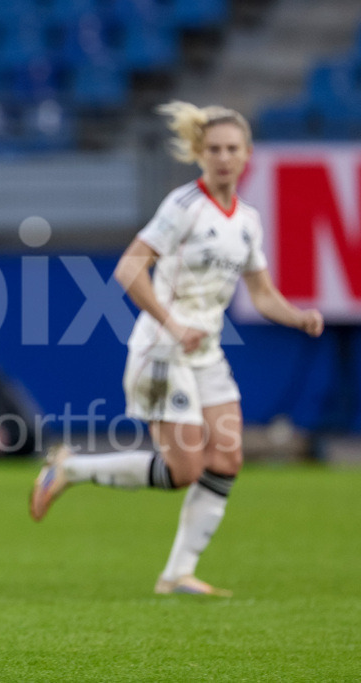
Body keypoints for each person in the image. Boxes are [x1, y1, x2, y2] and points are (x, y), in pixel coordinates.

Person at [29, 101, 325, 596]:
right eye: (214, 149)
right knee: (184, 470)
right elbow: (128, 270)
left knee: (228, 458)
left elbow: (262, 293)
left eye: (233, 149)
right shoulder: (183, 206)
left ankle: (177, 574)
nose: (224, 157)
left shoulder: (248, 220)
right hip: (163, 349)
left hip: (205, 352)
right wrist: (173, 322)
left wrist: (298, 316)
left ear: (248, 154)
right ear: (199, 154)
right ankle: (72, 467)